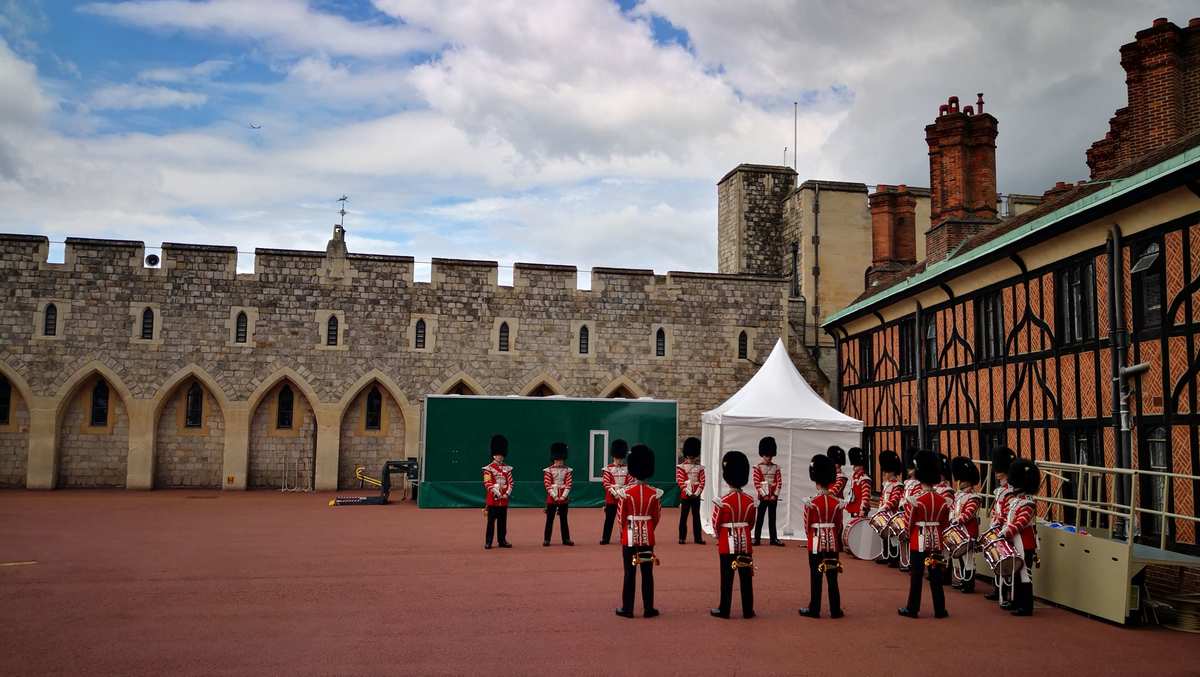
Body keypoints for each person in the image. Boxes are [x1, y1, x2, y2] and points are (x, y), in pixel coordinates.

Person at [897, 450, 951, 619]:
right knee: (935, 575)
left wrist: (906, 533)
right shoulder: (943, 500)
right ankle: (940, 609)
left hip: (918, 538)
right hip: (936, 538)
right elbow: (944, 523)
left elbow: (909, 521)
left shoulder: (916, 499)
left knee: (917, 575)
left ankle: (912, 608)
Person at [616, 444, 662, 619]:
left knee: (629, 572)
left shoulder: (626, 493)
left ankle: (627, 608)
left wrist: (624, 533)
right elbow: (656, 517)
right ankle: (648, 609)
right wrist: (648, 529)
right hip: (647, 535)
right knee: (647, 572)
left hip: (629, 535)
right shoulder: (654, 494)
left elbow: (621, 517)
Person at [711, 450, 757, 619]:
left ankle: (724, 609)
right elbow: (751, 523)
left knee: (727, 578)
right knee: (746, 577)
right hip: (745, 539)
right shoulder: (751, 501)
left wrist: (718, 535)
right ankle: (748, 610)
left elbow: (716, 524)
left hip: (726, 540)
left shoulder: (722, 501)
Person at [799, 453, 844, 619]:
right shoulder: (836, 502)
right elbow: (838, 525)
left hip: (816, 540)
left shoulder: (812, 503)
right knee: (832, 575)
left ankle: (815, 608)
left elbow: (807, 526)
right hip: (832, 540)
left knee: (815, 575)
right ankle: (835, 609)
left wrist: (812, 538)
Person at [1002, 458, 1041, 616]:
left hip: (1025, 542)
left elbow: (1020, 522)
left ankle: (1026, 606)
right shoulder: (1016, 501)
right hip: (1016, 540)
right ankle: (1016, 601)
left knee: (1025, 573)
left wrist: (1006, 532)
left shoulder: (1028, 503)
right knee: (1016, 572)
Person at [984, 447, 1017, 604]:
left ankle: (1005, 592)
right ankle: (997, 589)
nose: (996, 473)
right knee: (997, 561)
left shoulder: (1009, 491)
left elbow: (1006, 511)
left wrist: (999, 524)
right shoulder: (1000, 490)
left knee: (1006, 563)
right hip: (997, 528)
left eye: (999, 470)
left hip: (1004, 529)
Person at [948, 456, 982, 593]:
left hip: (968, 531)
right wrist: (951, 517)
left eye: (962, 481)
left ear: (968, 482)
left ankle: (969, 584)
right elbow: (953, 509)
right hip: (959, 530)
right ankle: (964, 580)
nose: (960, 483)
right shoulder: (959, 495)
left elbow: (969, 512)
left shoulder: (974, 497)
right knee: (961, 558)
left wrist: (958, 519)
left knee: (968, 559)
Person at [482, 434, 513, 550]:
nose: (499, 457)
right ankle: (488, 541)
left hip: (503, 500)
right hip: (493, 501)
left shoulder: (507, 468)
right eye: (497, 455)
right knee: (491, 523)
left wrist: (506, 493)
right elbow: (487, 483)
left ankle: (502, 540)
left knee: (502, 522)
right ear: (493, 455)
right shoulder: (488, 469)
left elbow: (511, 482)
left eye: (501, 455)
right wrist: (498, 493)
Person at [752, 436, 784, 547]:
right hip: (763, 497)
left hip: (773, 497)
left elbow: (779, 482)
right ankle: (756, 538)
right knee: (759, 518)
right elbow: (757, 483)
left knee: (772, 518)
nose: (768, 458)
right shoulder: (757, 467)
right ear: (762, 454)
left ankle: (773, 538)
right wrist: (764, 495)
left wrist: (775, 495)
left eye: (770, 455)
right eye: (766, 455)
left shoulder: (777, 467)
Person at [600, 439, 633, 545]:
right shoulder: (608, 469)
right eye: (617, 458)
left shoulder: (628, 469)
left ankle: (625, 537)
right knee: (609, 519)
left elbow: (630, 482)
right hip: (611, 498)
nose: (619, 460)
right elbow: (606, 483)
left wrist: (622, 492)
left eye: (620, 458)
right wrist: (615, 493)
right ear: (613, 456)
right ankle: (605, 538)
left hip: (624, 497)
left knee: (625, 519)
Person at [543, 441, 574, 547]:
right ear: (554, 459)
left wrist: (563, 496)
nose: (560, 462)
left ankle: (566, 539)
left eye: (561, 460)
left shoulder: (567, 470)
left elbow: (569, 484)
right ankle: (547, 539)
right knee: (549, 520)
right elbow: (547, 484)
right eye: (558, 460)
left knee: (564, 520)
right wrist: (555, 496)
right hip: (552, 498)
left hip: (564, 498)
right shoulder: (548, 470)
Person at [876, 450, 905, 567]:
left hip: (892, 514)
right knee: (884, 536)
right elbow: (883, 497)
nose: (885, 474)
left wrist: (885, 507)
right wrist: (880, 507)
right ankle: (886, 555)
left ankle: (894, 558)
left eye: (887, 472)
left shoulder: (897, 485)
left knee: (893, 538)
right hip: (884, 513)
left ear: (892, 473)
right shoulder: (886, 484)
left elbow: (895, 499)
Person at [676, 437, 706, 544]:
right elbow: (680, 481)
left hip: (696, 496)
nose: (691, 460)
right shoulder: (681, 467)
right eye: (690, 457)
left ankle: (698, 538)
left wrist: (697, 493)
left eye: (693, 458)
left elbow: (702, 481)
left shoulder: (700, 468)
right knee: (683, 517)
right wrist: (688, 492)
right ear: (686, 455)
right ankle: (682, 537)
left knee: (696, 517)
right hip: (685, 496)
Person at [898, 449, 922, 572]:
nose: (909, 470)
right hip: (904, 512)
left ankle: (911, 562)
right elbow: (904, 495)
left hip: (912, 513)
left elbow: (915, 499)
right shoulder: (907, 483)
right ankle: (904, 561)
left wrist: (906, 504)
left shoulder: (918, 484)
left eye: (911, 468)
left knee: (912, 540)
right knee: (902, 538)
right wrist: (902, 503)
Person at [846, 447, 873, 520]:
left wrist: (862, 510)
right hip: (855, 508)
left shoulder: (864, 479)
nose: (853, 468)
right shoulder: (855, 477)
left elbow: (865, 497)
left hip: (860, 510)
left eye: (855, 466)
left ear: (861, 466)